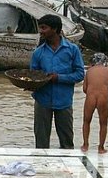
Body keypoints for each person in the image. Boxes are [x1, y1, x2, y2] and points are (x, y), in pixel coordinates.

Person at [30, 14, 85, 149]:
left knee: (67, 142)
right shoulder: (38, 53)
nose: (41, 31)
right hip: (42, 100)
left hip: (64, 101)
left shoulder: (72, 50)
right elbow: (32, 75)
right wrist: (31, 84)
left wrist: (58, 77)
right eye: (40, 28)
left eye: (44, 28)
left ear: (54, 29)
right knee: (41, 142)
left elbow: (79, 74)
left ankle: (68, 169)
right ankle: (42, 168)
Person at [81, 53, 108, 153]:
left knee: (86, 121)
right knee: (103, 124)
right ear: (105, 63)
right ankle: (101, 147)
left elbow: (85, 89)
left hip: (90, 96)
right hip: (103, 97)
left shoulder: (89, 71)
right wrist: (106, 94)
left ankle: (85, 145)